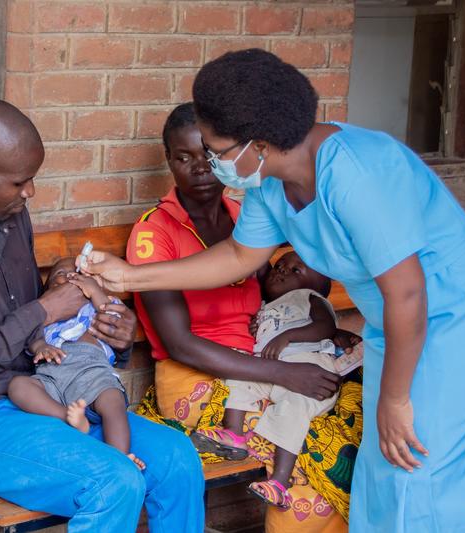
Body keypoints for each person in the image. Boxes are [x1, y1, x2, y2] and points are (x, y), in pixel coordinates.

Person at [80, 49, 465, 532]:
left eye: (217, 151)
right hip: (395, 322)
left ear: (258, 143)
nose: (215, 163)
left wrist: (393, 400)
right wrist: (130, 276)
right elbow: (240, 256)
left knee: (427, 466)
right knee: (387, 475)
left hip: (461, 317)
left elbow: (409, 293)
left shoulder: (356, 172)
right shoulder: (270, 182)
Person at [0, 98, 204, 532]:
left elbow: (46, 328)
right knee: (113, 481)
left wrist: (107, 334)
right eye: (20, 182)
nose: (29, 192)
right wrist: (42, 310)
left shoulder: (11, 218)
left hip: (54, 395)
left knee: (177, 459)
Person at [126, 102, 363, 526]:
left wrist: (326, 335)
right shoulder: (154, 233)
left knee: (356, 419)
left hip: (262, 364)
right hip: (196, 377)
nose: (200, 168)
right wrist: (284, 374)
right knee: (308, 453)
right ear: (169, 161)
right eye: (183, 158)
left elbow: (283, 294)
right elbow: (180, 345)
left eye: (208, 155)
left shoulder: (243, 217)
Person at [192, 251, 360, 510]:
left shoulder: (310, 298)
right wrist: (257, 327)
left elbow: (325, 328)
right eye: (280, 265)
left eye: (295, 270)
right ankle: (234, 435)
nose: (282, 269)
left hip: (310, 368)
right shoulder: (265, 306)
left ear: (318, 286)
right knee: (238, 378)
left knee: (294, 409)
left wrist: (287, 337)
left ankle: (279, 484)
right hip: (271, 369)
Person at [7, 258, 144, 470]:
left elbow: (114, 317)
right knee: (18, 386)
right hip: (52, 374)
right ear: (48, 289)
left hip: (92, 372)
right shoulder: (45, 312)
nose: (72, 276)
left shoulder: (97, 305)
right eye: (61, 273)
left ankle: (120, 456)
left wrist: (94, 291)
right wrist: (40, 346)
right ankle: (68, 416)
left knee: (113, 401)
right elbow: (31, 336)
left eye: (80, 274)